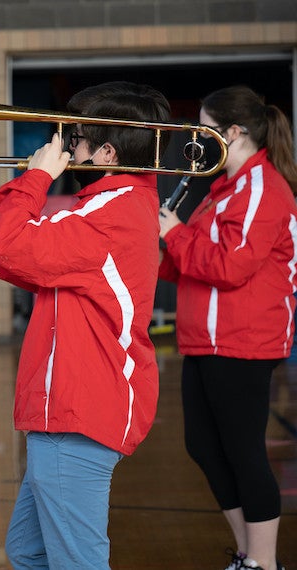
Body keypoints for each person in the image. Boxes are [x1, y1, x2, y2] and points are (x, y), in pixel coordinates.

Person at [0, 81, 169, 569]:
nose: (65, 147)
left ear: (106, 152)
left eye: (75, 139)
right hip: (71, 409)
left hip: (78, 410)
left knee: (76, 561)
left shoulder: (108, 214)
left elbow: (13, 245)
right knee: (28, 551)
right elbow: (17, 259)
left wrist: (35, 179)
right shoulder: (112, 206)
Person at [158, 85, 297, 570]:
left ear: (233, 132)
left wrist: (172, 233)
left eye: (206, 128)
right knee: (203, 446)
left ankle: (263, 562)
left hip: (242, 341)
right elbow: (185, 258)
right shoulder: (225, 188)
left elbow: (231, 266)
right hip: (206, 340)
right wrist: (157, 238)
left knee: (243, 452)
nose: (199, 138)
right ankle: (248, 553)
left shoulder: (262, 187)